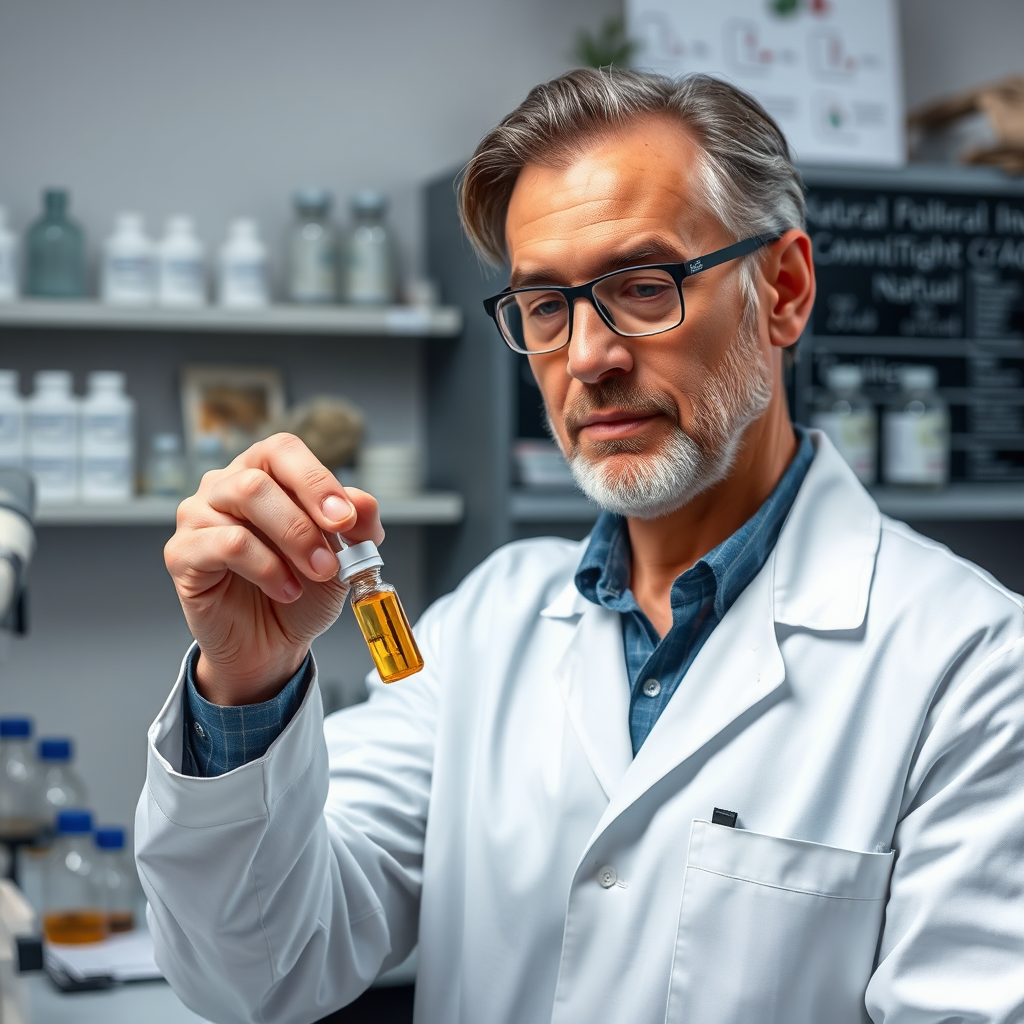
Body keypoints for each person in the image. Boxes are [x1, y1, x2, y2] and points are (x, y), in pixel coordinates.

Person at [136, 69, 1024, 1024]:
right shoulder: (488, 624)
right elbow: (261, 970)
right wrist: (247, 688)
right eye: (546, 306)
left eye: (644, 287)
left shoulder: (973, 664)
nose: (589, 358)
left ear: (785, 290)